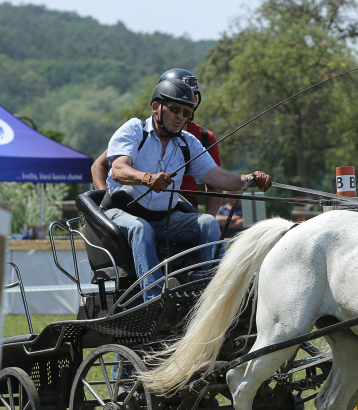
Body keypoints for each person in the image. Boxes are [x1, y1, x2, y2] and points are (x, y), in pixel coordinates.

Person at [103, 78, 271, 301]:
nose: (180, 116)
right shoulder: (135, 130)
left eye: (186, 112)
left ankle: (208, 292)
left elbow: (219, 178)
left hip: (164, 219)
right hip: (121, 213)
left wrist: (250, 179)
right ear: (156, 107)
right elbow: (118, 170)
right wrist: (147, 178)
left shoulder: (188, 142)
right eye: (174, 109)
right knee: (141, 227)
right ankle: (152, 301)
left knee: (208, 222)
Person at [92, 68, 225, 215]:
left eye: (192, 99)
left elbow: (216, 181)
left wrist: (210, 217)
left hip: (185, 207)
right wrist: (105, 201)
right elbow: (101, 165)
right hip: (140, 204)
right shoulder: (142, 133)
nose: (185, 101)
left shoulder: (204, 138)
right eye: (176, 101)